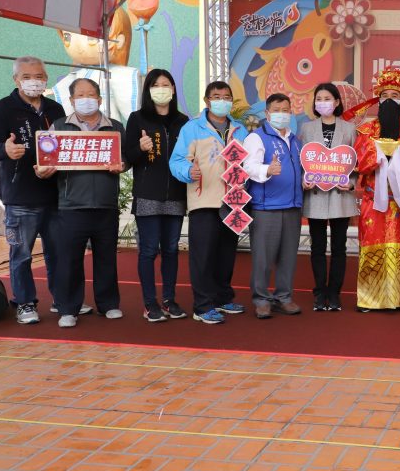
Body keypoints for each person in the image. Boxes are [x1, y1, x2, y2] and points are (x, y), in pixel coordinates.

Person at [0, 56, 67, 324]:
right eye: (27, 77)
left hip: (55, 194)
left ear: (46, 79)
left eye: (39, 76)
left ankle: (63, 300)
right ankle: (25, 302)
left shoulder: (55, 108)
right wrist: (4, 149)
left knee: (58, 253)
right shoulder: (2, 109)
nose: (34, 82)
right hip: (20, 196)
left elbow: (65, 143)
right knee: (21, 254)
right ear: (16, 80)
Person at [50, 78, 127, 328]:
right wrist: (44, 168)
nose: (86, 99)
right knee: (70, 260)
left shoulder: (115, 127)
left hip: (106, 204)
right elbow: (47, 157)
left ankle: (108, 304)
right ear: (72, 100)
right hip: (72, 205)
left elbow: (126, 158)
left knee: (106, 258)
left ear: (100, 99)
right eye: (80, 95)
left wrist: (122, 165)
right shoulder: (59, 126)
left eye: (91, 94)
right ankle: (68, 309)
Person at [170, 81, 247, 324]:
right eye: (216, 96)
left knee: (226, 255)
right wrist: (187, 171)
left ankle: (223, 298)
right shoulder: (192, 128)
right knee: (202, 256)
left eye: (226, 96)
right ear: (206, 101)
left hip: (233, 201)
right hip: (204, 201)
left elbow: (249, 162)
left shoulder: (240, 129)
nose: (222, 100)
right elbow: (177, 160)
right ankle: (202, 306)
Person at [352, 68, 400, 312]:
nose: (389, 100)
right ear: (378, 100)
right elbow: (360, 163)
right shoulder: (366, 131)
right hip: (373, 199)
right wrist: (379, 155)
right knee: (372, 245)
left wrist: (397, 157)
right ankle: (370, 298)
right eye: (384, 96)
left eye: (395, 96)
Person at [122, 69, 189, 322]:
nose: (161, 89)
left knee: (171, 249)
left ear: (173, 89)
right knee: (149, 250)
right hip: (148, 194)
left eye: (166, 84)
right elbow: (128, 157)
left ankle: (169, 300)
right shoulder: (137, 118)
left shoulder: (183, 121)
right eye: (156, 85)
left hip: (176, 193)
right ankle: (150, 304)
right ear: (148, 90)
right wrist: (140, 148)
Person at [242, 93, 304, 319]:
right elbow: (247, 167)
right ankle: (261, 299)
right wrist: (267, 169)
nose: (281, 114)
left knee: (288, 257)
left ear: (291, 113)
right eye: (277, 110)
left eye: (285, 110)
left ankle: (283, 297)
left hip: (292, 205)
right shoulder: (256, 137)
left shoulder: (295, 140)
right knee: (263, 258)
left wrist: (305, 180)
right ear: (267, 114)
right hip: (266, 207)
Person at [301, 83, 357, 312]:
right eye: (319, 99)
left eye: (327, 98)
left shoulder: (349, 129)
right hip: (315, 195)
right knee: (317, 246)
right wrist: (303, 180)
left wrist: (351, 183)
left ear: (336, 102)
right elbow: (301, 161)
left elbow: (356, 163)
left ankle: (334, 294)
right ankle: (319, 293)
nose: (322, 102)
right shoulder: (306, 129)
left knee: (339, 247)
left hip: (340, 196)